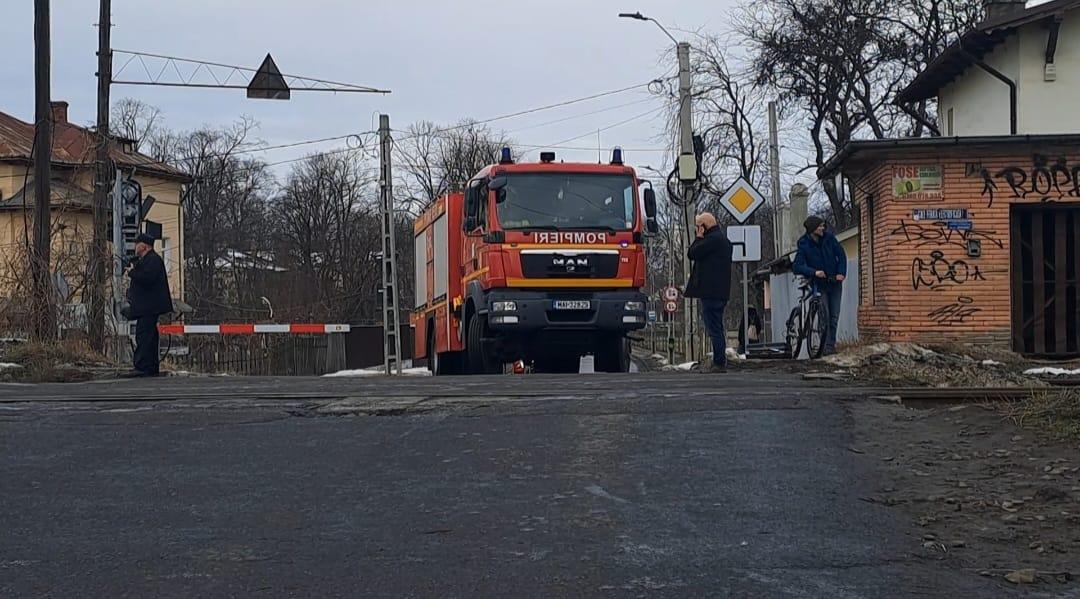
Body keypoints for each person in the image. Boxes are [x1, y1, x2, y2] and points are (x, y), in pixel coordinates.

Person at [684, 212, 733, 373]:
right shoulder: (723, 240)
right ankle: (719, 360)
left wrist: (698, 237)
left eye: (699, 226)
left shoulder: (712, 240)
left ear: (704, 226)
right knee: (717, 326)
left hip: (711, 292)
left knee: (714, 328)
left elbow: (692, 253)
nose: (697, 230)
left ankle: (719, 362)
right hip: (720, 291)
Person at [792, 216, 847, 356]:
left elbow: (841, 255)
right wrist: (814, 272)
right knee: (825, 315)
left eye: (823, 226)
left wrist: (841, 273)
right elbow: (797, 266)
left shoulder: (829, 239)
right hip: (818, 284)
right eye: (820, 226)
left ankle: (830, 346)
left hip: (834, 282)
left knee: (834, 317)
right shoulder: (804, 244)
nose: (823, 228)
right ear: (812, 229)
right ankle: (824, 348)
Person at [124, 233, 172, 377]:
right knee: (149, 336)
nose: (134, 247)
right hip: (148, 307)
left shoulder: (152, 260)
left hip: (148, 307)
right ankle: (150, 366)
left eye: (136, 244)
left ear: (143, 245)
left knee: (144, 336)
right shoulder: (148, 260)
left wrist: (132, 273)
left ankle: (143, 366)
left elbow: (147, 278)